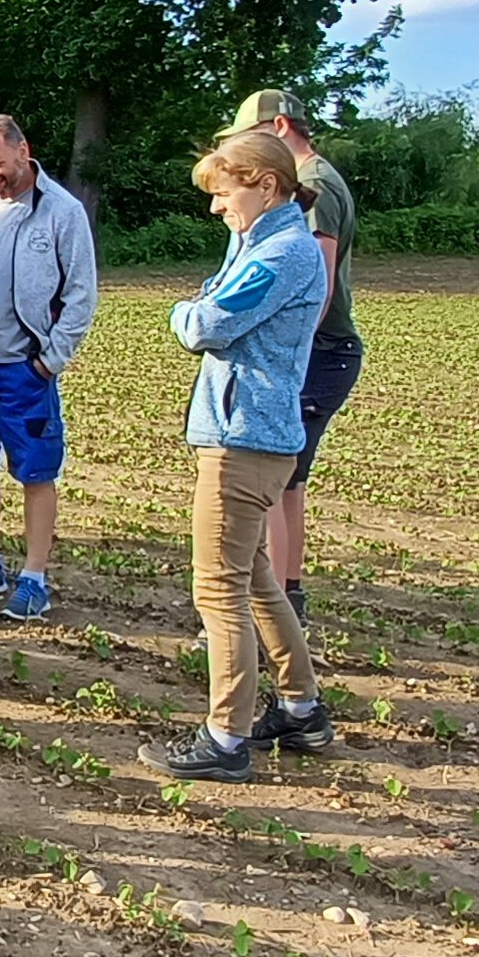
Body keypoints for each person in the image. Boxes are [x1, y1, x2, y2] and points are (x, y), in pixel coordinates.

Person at [143, 130, 331, 783]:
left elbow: (205, 324)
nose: (216, 208)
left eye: (225, 194)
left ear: (266, 185)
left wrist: (183, 308)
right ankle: (302, 708)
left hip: (241, 442)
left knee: (218, 589)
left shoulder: (280, 254)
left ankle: (225, 737)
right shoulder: (272, 245)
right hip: (260, 438)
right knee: (255, 581)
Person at [0, 114, 99, 622]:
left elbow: (80, 295)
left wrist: (49, 363)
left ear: (23, 149)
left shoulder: (62, 212)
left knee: (35, 471)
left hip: (23, 372)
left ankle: (34, 577)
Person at [226, 89, 360, 624]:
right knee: (288, 480)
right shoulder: (318, 178)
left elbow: (318, 277)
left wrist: (291, 356)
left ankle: (274, 604)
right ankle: (285, 596)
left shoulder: (314, 185)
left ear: (278, 126)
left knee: (274, 481)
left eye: (245, 138)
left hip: (318, 351)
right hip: (326, 349)